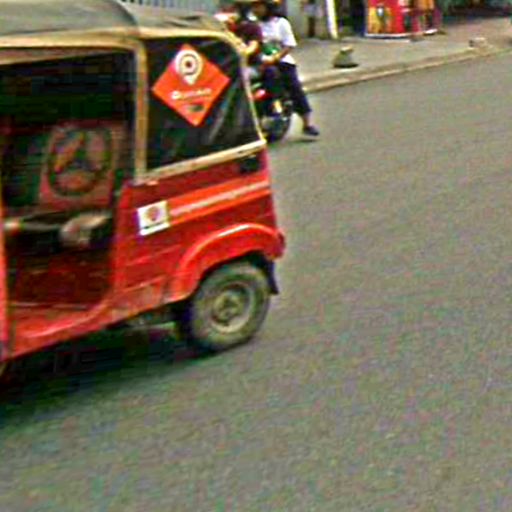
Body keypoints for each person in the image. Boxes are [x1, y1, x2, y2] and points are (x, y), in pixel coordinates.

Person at [251, 0, 320, 137]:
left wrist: (275, 58)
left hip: (281, 62)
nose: (256, 10)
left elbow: (289, 44)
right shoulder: (253, 25)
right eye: (254, 7)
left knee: (295, 88)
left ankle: (307, 123)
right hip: (259, 63)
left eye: (259, 6)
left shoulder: (281, 23)